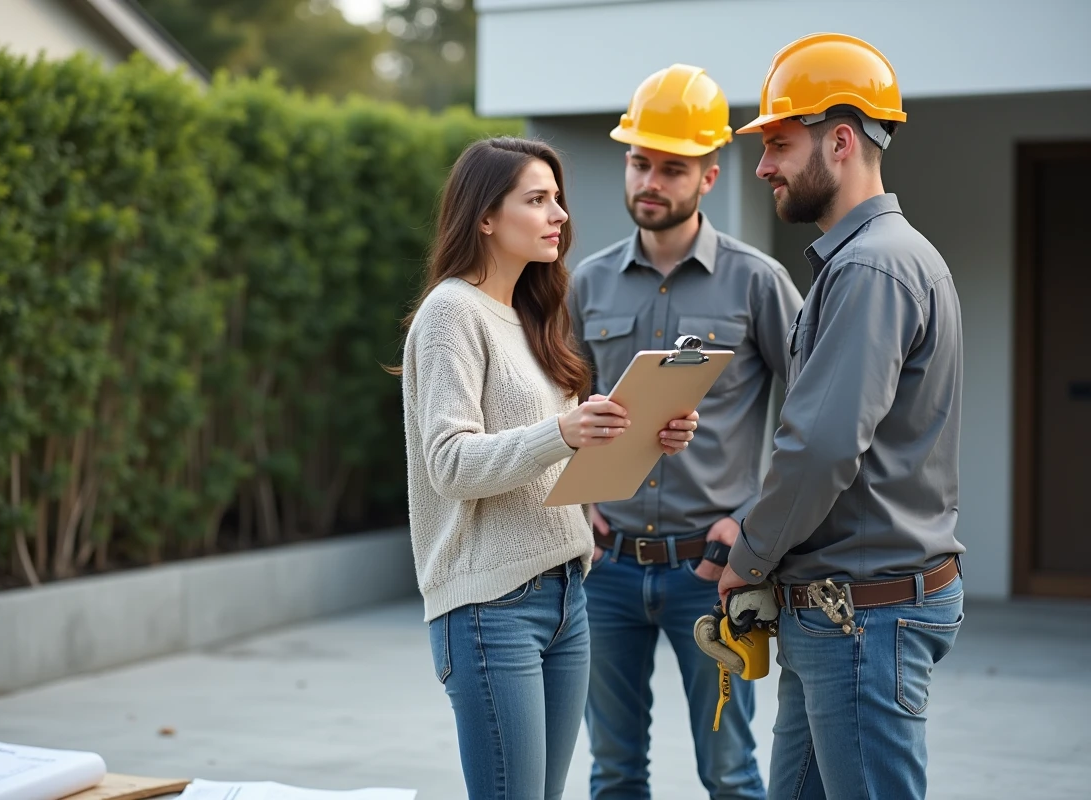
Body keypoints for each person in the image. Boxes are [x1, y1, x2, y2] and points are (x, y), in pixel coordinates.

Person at [395, 136, 699, 799]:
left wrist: (643, 434)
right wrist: (562, 431)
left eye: (557, 199)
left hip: (568, 592)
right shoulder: (452, 313)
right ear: (483, 217)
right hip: (490, 606)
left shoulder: (532, 312)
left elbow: (552, 466)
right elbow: (450, 463)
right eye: (537, 200)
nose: (559, 214)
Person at [720, 33, 966, 800]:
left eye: (779, 144)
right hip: (844, 612)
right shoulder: (881, 259)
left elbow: (823, 446)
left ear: (841, 139)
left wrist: (748, 557)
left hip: (861, 618)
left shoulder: (870, 266)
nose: (762, 166)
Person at [568, 64, 802, 800]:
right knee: (612, 774)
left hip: (714, 571)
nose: (651, 181)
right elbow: (559, 408)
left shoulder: (758, 281)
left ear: (709, 176)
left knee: (730, 773)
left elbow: (815, 416)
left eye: (673, 168)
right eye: (640, 162)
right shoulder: (585, 284)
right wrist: (578, 504)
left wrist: (752, 524)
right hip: (605, 569)